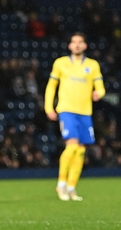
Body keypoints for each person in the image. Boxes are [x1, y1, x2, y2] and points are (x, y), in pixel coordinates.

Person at [44, 32, 105, 201]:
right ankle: (61, 184)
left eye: (80, 42)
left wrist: (98, 93)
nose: (77, 45)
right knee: (71, 146)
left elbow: (101, 87)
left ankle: (72, 188)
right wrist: (49, 106)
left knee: (81, 150)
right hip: (67, 110)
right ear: (70, 46)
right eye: (74, 42)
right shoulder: (61, 63)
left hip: (85, 112)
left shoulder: (92, 65)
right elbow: (51, 86)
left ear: (85, 46)